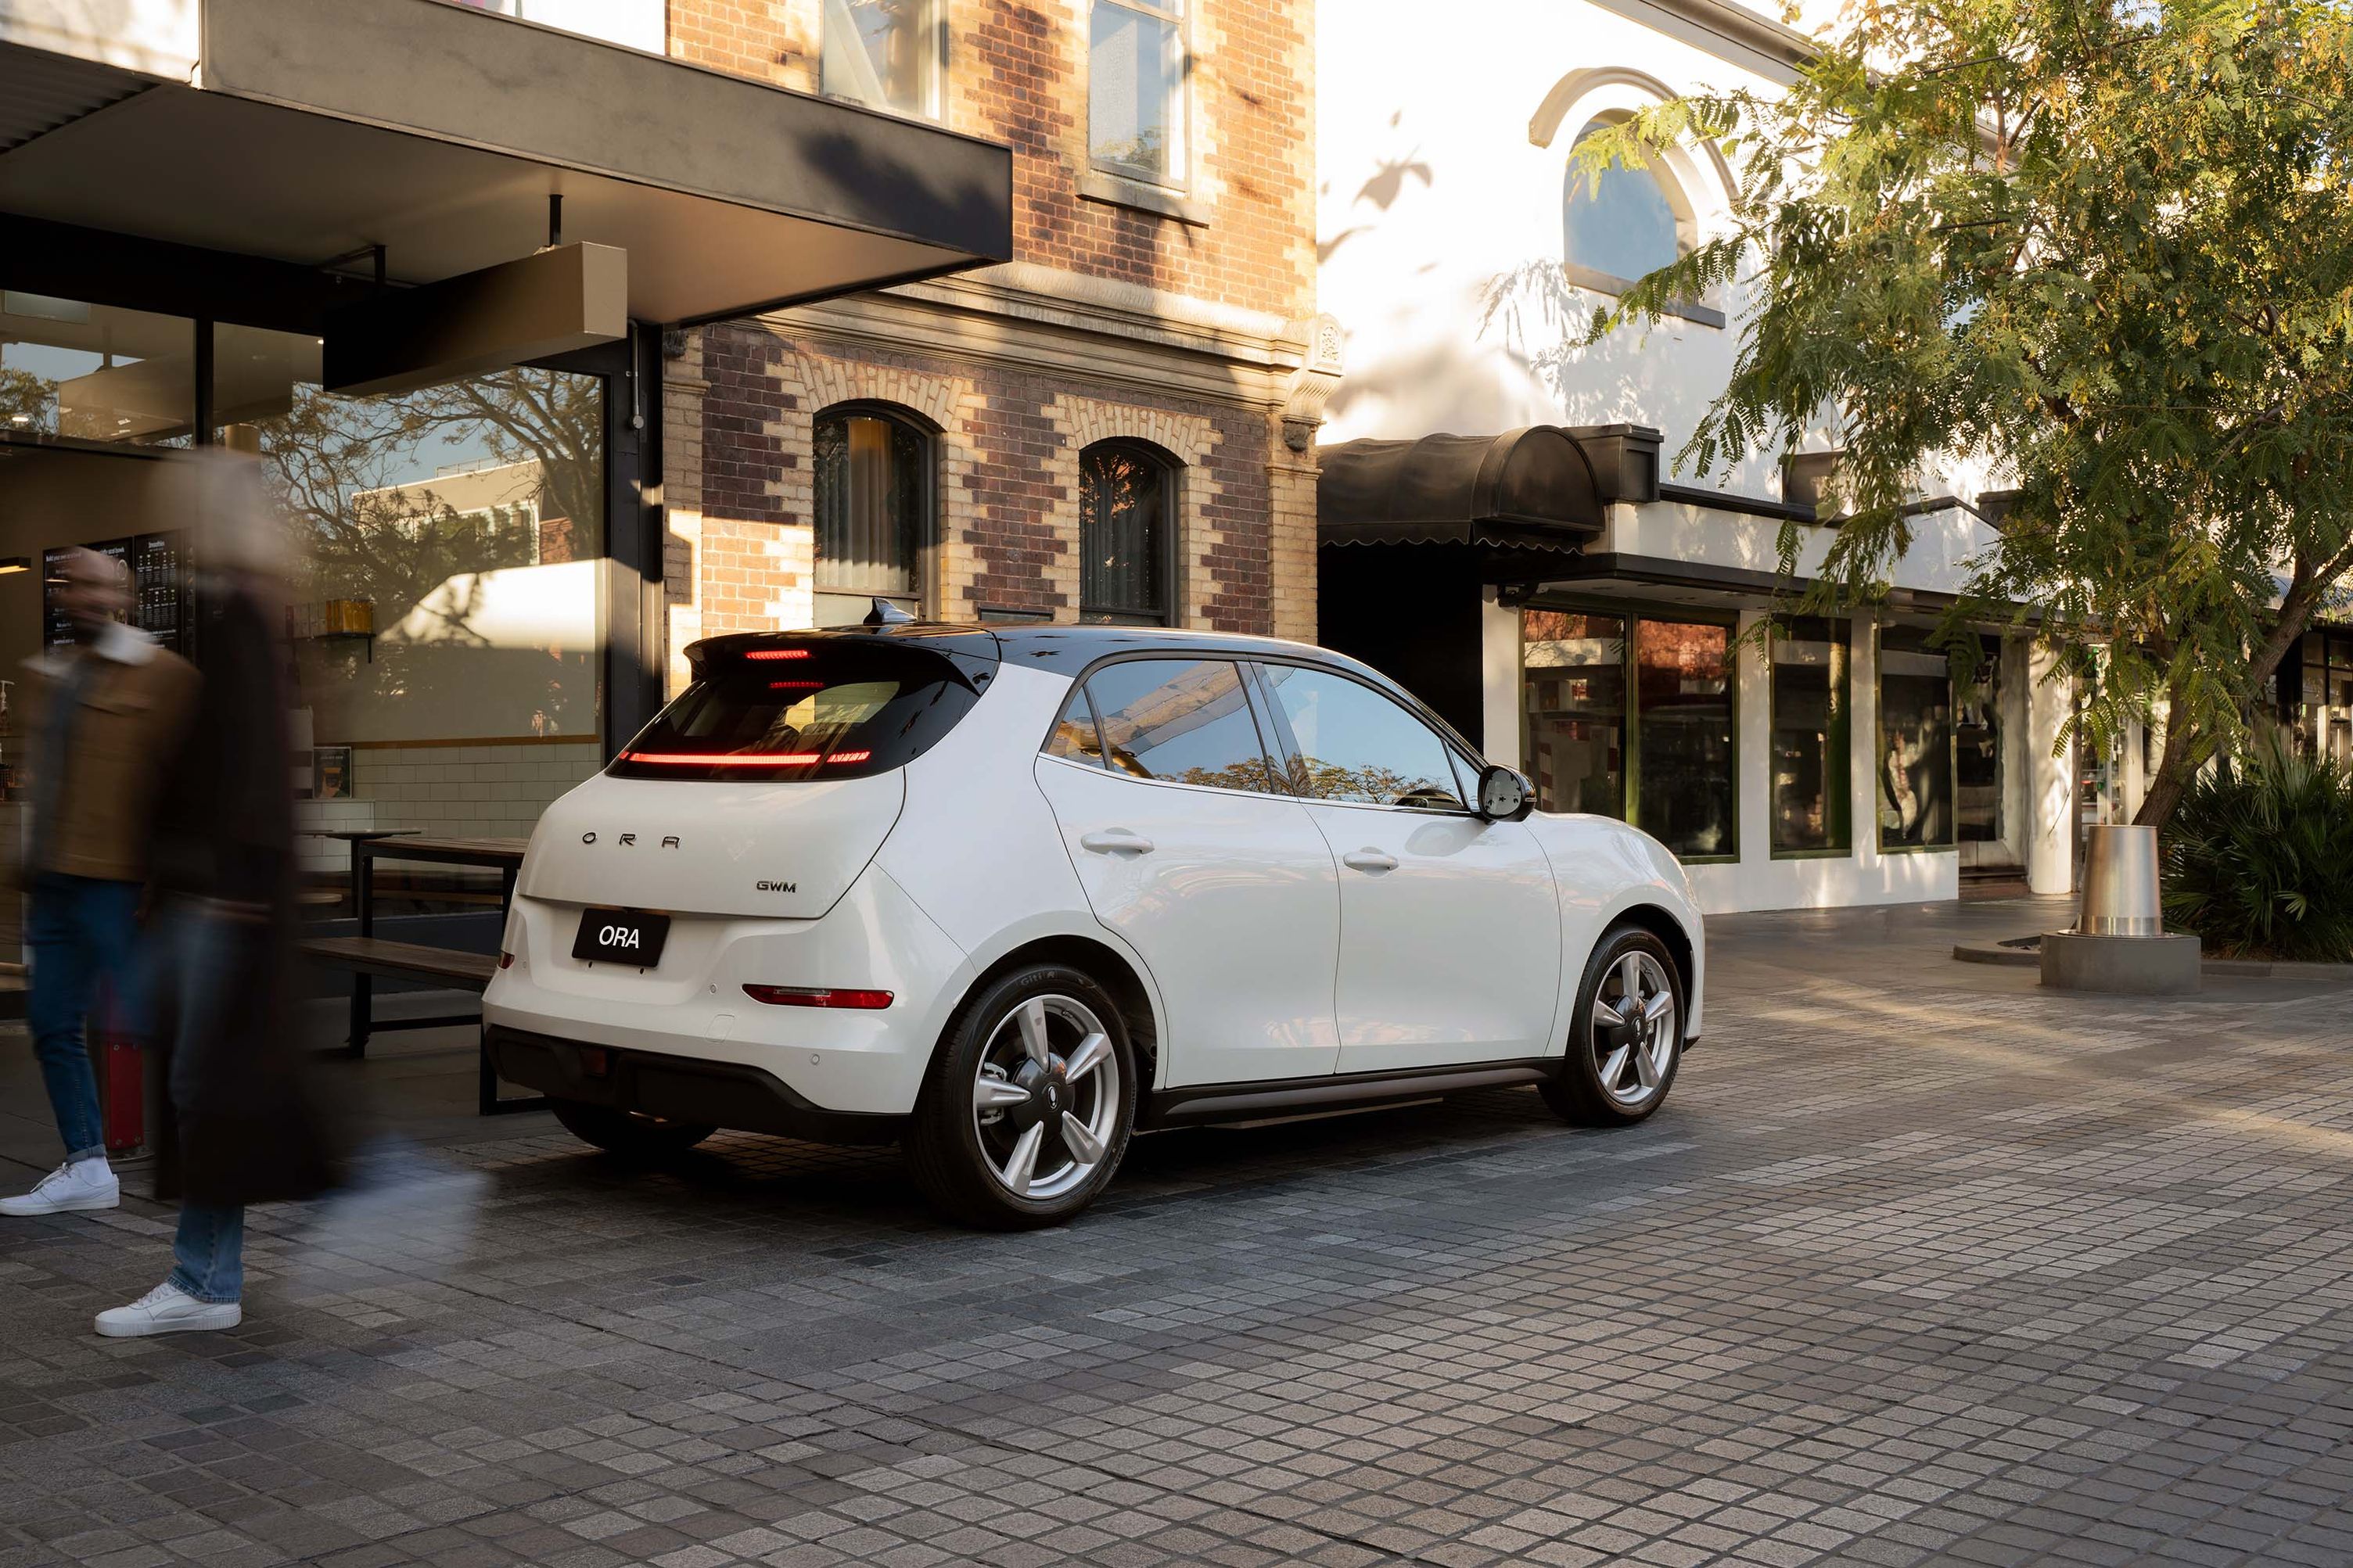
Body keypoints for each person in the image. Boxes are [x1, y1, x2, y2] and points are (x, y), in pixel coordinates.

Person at [95, 451, 341, 1337]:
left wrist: (232, 890)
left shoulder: (240, 614)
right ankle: (210, 1277)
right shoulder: (245, 610)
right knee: (216, 1085)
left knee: (208, 1085)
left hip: (223, 900)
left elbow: (257, 769)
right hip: (216, 894)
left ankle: (205, 1281)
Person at [2, 550, 199, 1219]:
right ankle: (88, 1163)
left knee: (152, 1024)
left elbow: (186, 788)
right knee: (54, 1023)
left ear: (125, 594)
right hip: (55, 881)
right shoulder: (49, 677)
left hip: (120, 887)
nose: (80, 596)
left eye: (95, 585)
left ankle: (218, 1159)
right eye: (70, 585)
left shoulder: (162, 676)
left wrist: (163, 883)